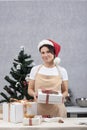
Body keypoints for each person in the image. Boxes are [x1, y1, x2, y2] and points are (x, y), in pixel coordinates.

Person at [28, 39, 68, 117]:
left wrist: (60, 97)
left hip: (57, 110)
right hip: (39, 109)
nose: (45, 55)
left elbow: (65, 91)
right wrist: (34, 94)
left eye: (48, 52)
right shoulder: (35, 70)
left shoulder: (62, 71)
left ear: (54, 53)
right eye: (43, 53)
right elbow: (30, 89)